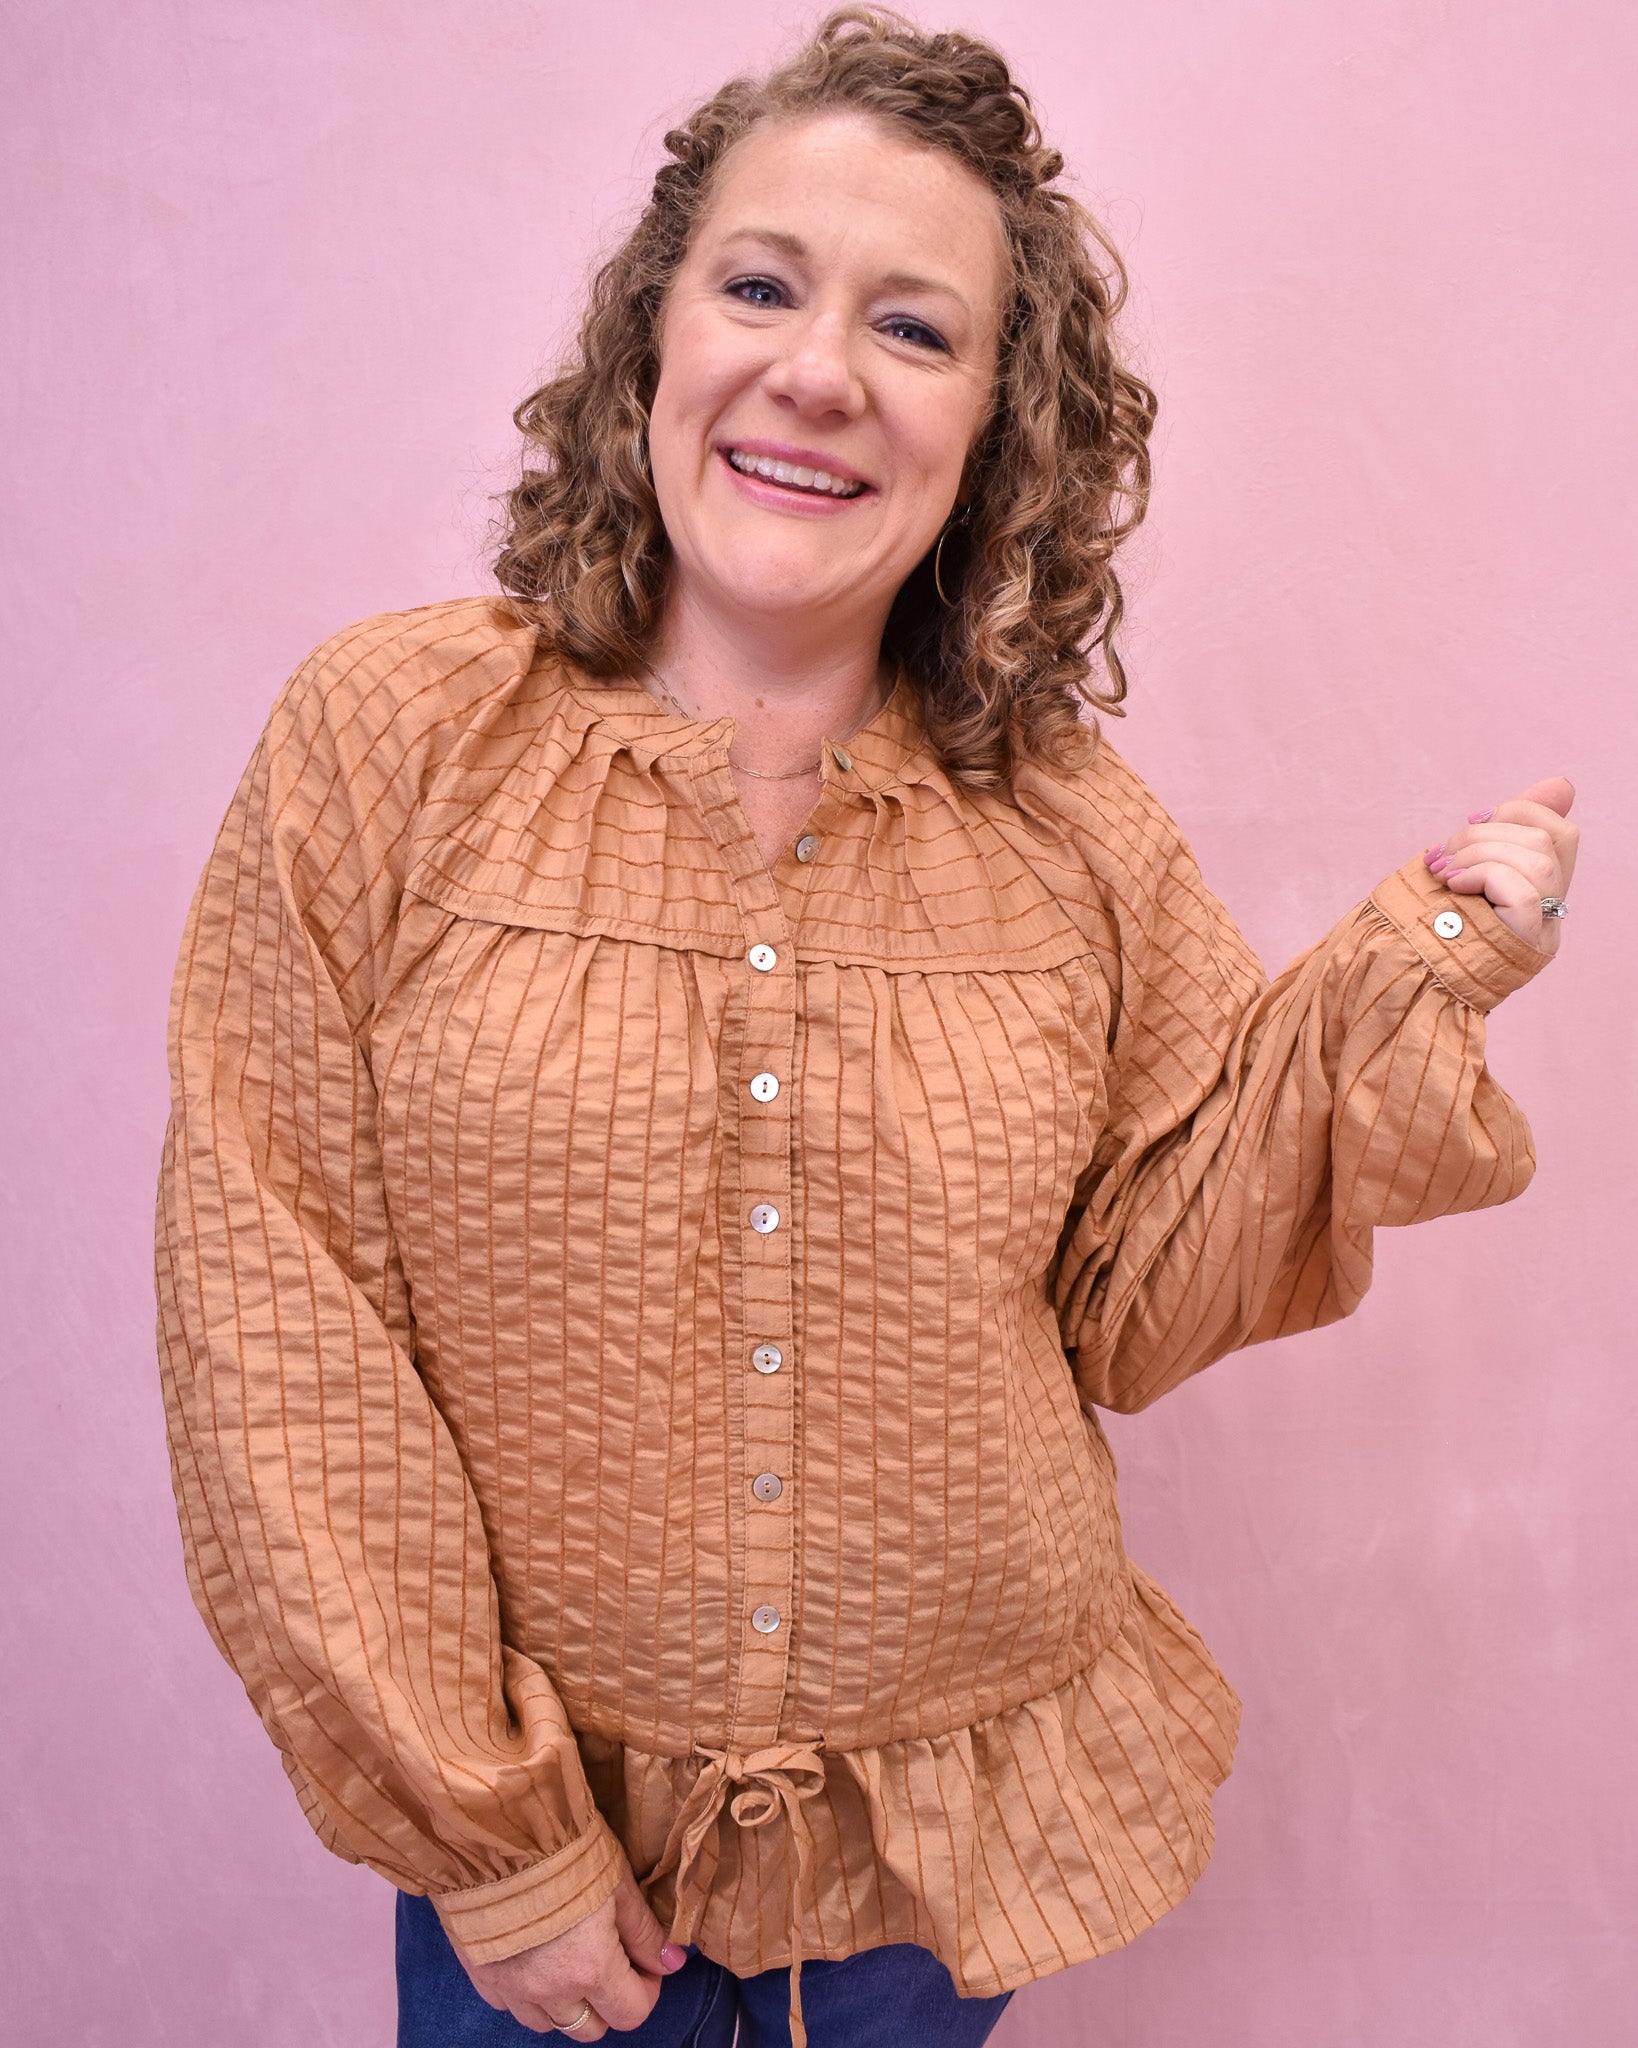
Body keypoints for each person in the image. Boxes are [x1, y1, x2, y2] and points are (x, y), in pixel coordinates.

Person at [154, 10, 1578, 2046]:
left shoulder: (1074, 821)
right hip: (540, 1886)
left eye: (916, 329)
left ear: (999, 422)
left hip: (934, 1888)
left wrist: (1414, 960)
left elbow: (1142, 1284)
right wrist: (486, 1833)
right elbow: (270, 1306)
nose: (817, 369)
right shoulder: (387, 746)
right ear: (658, 330)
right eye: (760, 285)